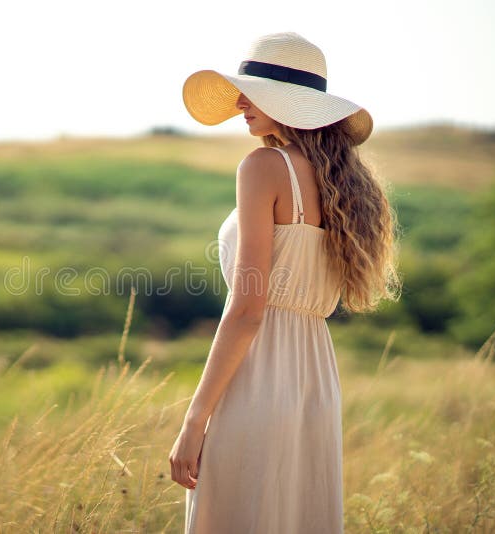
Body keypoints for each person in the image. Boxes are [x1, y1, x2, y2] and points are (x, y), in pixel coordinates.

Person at [169, 32, 402, 533]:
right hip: (314, 383)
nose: (239, 102)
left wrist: (194, 422)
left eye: (251, 91)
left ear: (286, 103)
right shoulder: (345, 184)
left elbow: (248, 309)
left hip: (258, 381)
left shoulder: (263, 167)